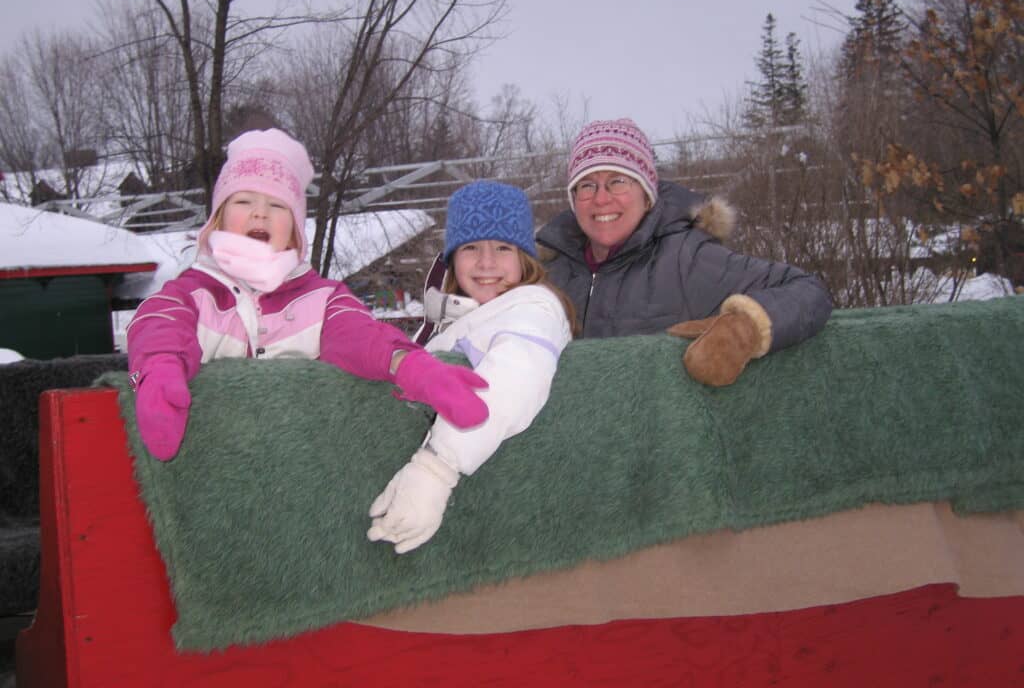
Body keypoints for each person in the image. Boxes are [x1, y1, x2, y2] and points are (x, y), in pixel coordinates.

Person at [126, 128, 489, 461]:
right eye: (243, 201)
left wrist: (409, 365)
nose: (260, 213)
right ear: (217, 218)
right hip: (214, 464)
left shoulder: (322, 300)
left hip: (301, 468)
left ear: (296, 230)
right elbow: (158, 322)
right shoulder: (192, 293)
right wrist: (158, 368)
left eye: (278, 205)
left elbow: (362, 337)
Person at [536, 118, 833, 386]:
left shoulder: (685, 258)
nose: (601, 198)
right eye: (587, 185)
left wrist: (744, 330)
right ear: (574, 199)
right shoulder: (550, 270)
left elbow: (807, 291)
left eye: (618, 181)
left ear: (647, 194)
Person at [367, 181, 574, 554]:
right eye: (471, 247)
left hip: (493, 506)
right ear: (452, 258)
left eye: (502, 248)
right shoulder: (460, 318)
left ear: (524, 256)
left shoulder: (533, 308)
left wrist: (435, 470)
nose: (486, 262)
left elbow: (512, 378)